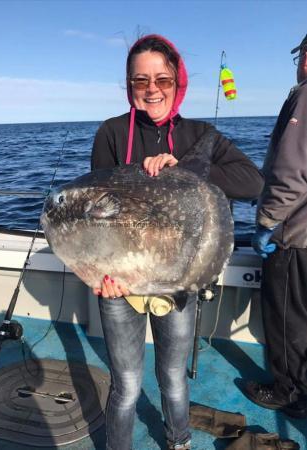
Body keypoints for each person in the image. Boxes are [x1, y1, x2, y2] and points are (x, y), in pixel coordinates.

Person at [91, 34, 264, 450]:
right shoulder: (112, 133)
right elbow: (96, 211)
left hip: (179, 278)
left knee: (171, 378)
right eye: (140, 81)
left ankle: (179, 440)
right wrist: (101, 273)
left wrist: (189, 171)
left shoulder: (200, 135)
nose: (152, 89)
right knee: (127, 385)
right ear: (129, 84)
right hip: (122, 282)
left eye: (162, 79)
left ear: (177, 81)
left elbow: (253, 182)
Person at [244, 34, 307, 419]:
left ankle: (289, 391)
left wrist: (267, 222)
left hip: (296, 239)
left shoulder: (304, 97)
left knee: (287, 318)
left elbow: (290, 175)